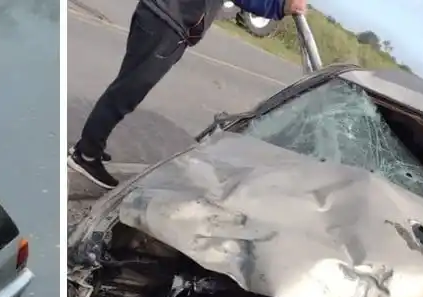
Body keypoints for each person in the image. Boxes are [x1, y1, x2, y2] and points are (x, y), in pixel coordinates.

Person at [68, 0, 308, 189]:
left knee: (126, 85)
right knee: (126, 93)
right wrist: (281, 6)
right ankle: (86, 155)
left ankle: (93, 144)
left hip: (159, 15)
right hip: (166, 22)